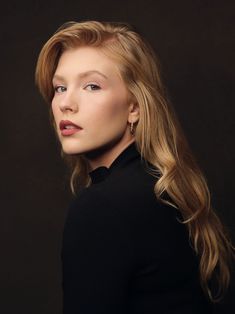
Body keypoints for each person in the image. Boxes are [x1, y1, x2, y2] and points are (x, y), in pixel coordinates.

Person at [35, 20, 234, 314]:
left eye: (92, 86)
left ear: (134, 107)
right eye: (60, 87)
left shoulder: (103, 207)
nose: (66, 103)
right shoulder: (164, 188)